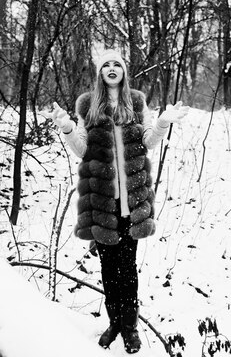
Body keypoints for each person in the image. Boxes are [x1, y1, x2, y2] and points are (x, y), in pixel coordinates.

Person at [43, 49, 189, 353]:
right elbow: (83, 150)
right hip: (103, 204)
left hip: (132, 204)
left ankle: (130, 327)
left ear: (123, 71)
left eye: (116, 64)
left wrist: (162, 122)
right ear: (100, 73)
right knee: (109, 269)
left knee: (128, 267)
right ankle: (114, 323)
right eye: (106, 65)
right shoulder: (88, 105)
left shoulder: (136, 102)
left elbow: (147, 141)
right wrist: (68, 128)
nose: (111, 68)